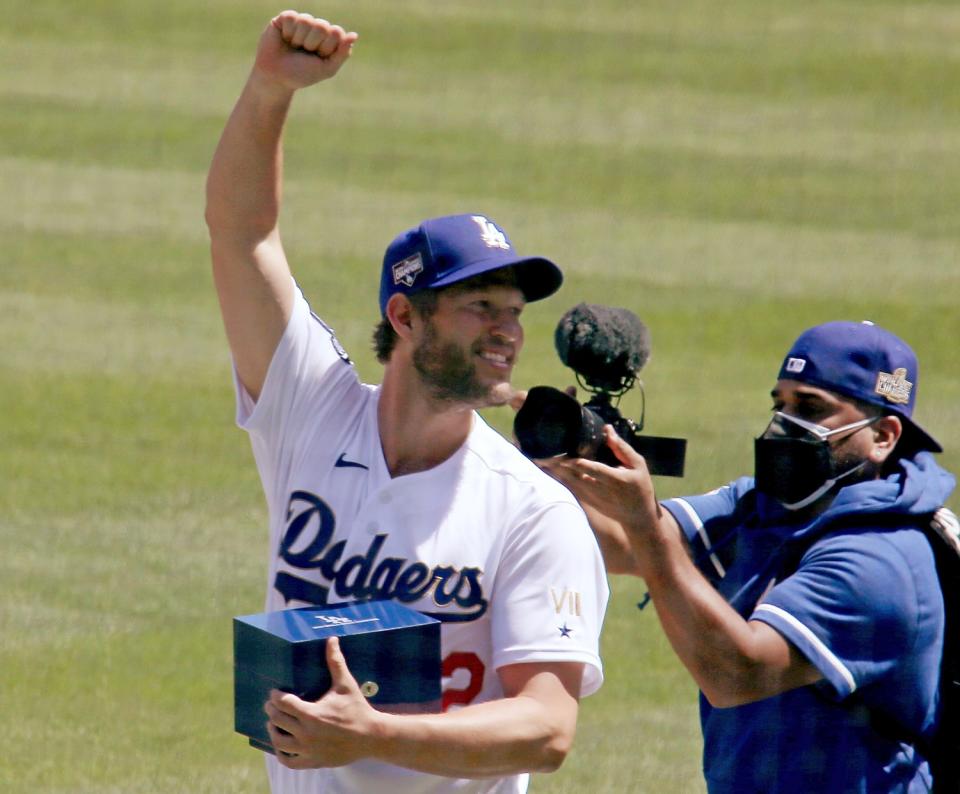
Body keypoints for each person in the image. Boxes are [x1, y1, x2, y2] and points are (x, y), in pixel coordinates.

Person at [204, 10, 608, 794]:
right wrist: (269, 90)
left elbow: (547, 727)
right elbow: (241, 232)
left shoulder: (531, 510)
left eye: (514, 312)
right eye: (480, 308)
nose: (506, 333)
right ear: (404, 316)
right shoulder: (311, 412)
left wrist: (372, 735)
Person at [541, 319, 956, 792]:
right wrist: (550, 464)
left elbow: (736, 673)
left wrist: (643, 526)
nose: (784, 422)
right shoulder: (764, 506)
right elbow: (618, 543)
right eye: (780, 403)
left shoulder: (882, 560)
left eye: (811, 407)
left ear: (883, 436)